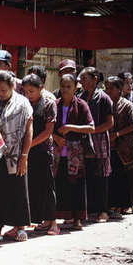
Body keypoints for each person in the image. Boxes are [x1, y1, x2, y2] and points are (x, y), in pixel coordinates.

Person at [0, 71, 33, 242]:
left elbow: (29, 131)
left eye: (4, 90)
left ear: (12, 86)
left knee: (18, 190)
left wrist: (24, 156)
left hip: (16, 154)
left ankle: (20, 228)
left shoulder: (23, 103)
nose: (0, 93)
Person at [53, 74, 95, 230]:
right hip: (58, 152)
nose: (65, 90)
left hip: (75, 152)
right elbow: (47, 126)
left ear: (75, 87)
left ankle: (77, 219)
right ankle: (63, 216)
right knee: (60, 183)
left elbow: (91, 127)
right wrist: (55, 137)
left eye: (68, 87)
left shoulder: (81, 105)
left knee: (76, 184)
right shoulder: (55, 104)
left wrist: (70, 127)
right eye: (63, 86)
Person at [23, 73, 59, 235]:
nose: (28, 95)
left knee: (47, 187)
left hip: (43, 151)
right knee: (34, 186)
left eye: (31, 91)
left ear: (41, 88)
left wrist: (30, 145)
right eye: (25, 91)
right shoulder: (25, 104)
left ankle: (53, 223)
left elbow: (48, 131)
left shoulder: (49, 104)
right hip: (28, 151)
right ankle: (42, 220)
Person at [79, 67, 114, 222]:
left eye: (84, 78)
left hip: (99, 141)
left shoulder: (104, 98)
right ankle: (91, 208)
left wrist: (92, 131)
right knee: (88, 175)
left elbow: (109, 123)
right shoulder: (80, 96)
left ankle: (103, 210)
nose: (81, 82)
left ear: (94, 79)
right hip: (84, 141)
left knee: (102, 175)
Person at [105, 75, 133, 217]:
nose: (108, 91)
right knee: (114, 177)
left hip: (127, 147)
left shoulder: (126, 104)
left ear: (119, 89)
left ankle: (127, 204)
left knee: (127, 178)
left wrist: (118, 134)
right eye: (106, 88)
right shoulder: (106, 104)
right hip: (111, 148)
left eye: (111, 88)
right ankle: (114, 205)